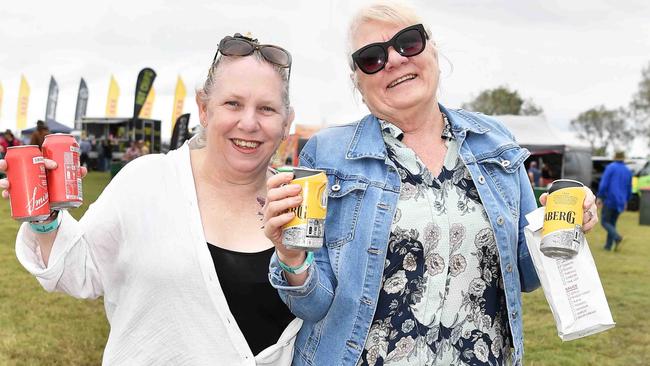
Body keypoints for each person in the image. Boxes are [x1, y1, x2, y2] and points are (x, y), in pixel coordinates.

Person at [262, 2, 599, 365]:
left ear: (433, 50)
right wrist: (292, 258)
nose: (393, 60)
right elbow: (313, 305)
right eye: (372, 58)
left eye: (408, 42)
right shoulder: (328, 155)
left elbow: (527, 276)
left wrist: (562, 223)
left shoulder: (495, 142)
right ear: (358, 80)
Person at [1, 32, 299, 364]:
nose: (249, 122)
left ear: (287, 123)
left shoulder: (298, 204)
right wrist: (46, 219)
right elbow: (79, 271)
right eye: (233, 103)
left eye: (267, 109)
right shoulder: (146, 180)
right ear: (204, 108)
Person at [597, 151, 632, 251]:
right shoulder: (627, 170)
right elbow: (629, 188)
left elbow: (604, 184)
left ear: (615, 157)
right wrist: (626, 201)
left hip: (610, 199)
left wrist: (600, 196)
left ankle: (617, 237)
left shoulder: (610, 167)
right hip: (621, 201)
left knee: (604, 222)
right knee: (612, 223)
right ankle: (608, 246)